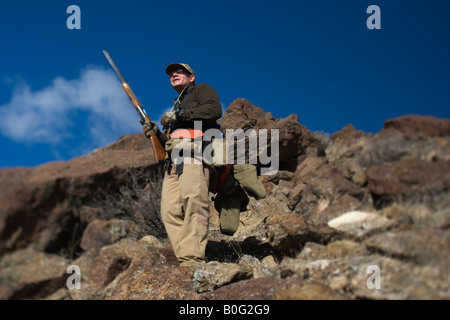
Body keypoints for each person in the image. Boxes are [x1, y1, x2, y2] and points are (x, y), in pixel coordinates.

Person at [143, 63, 222, 266]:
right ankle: (184, 257)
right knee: (169, 212)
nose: (174, 74)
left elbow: (214, 109)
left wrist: (178, 116)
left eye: (179, 72)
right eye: (171, 73)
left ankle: (192, 258)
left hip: (195, 154)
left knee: (194, 202)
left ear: (192, 77)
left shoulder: (202, 90)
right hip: (173, 161)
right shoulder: (175, 104)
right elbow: (170, 141)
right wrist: (155, 132)